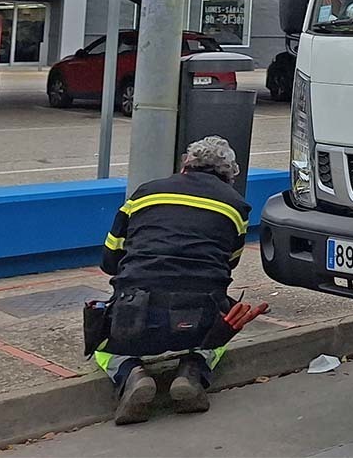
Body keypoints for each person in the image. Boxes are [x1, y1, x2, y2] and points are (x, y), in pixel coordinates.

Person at [91, 136, 252, 425]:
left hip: (136, 315)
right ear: (229, 177)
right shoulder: (236, 208)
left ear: (185, 165)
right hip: (198, 318)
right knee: (225, 326)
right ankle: (192, 369)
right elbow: (229, 264)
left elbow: (109, 261)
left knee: (101, 343)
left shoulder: (144, 194)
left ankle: (131, 373)